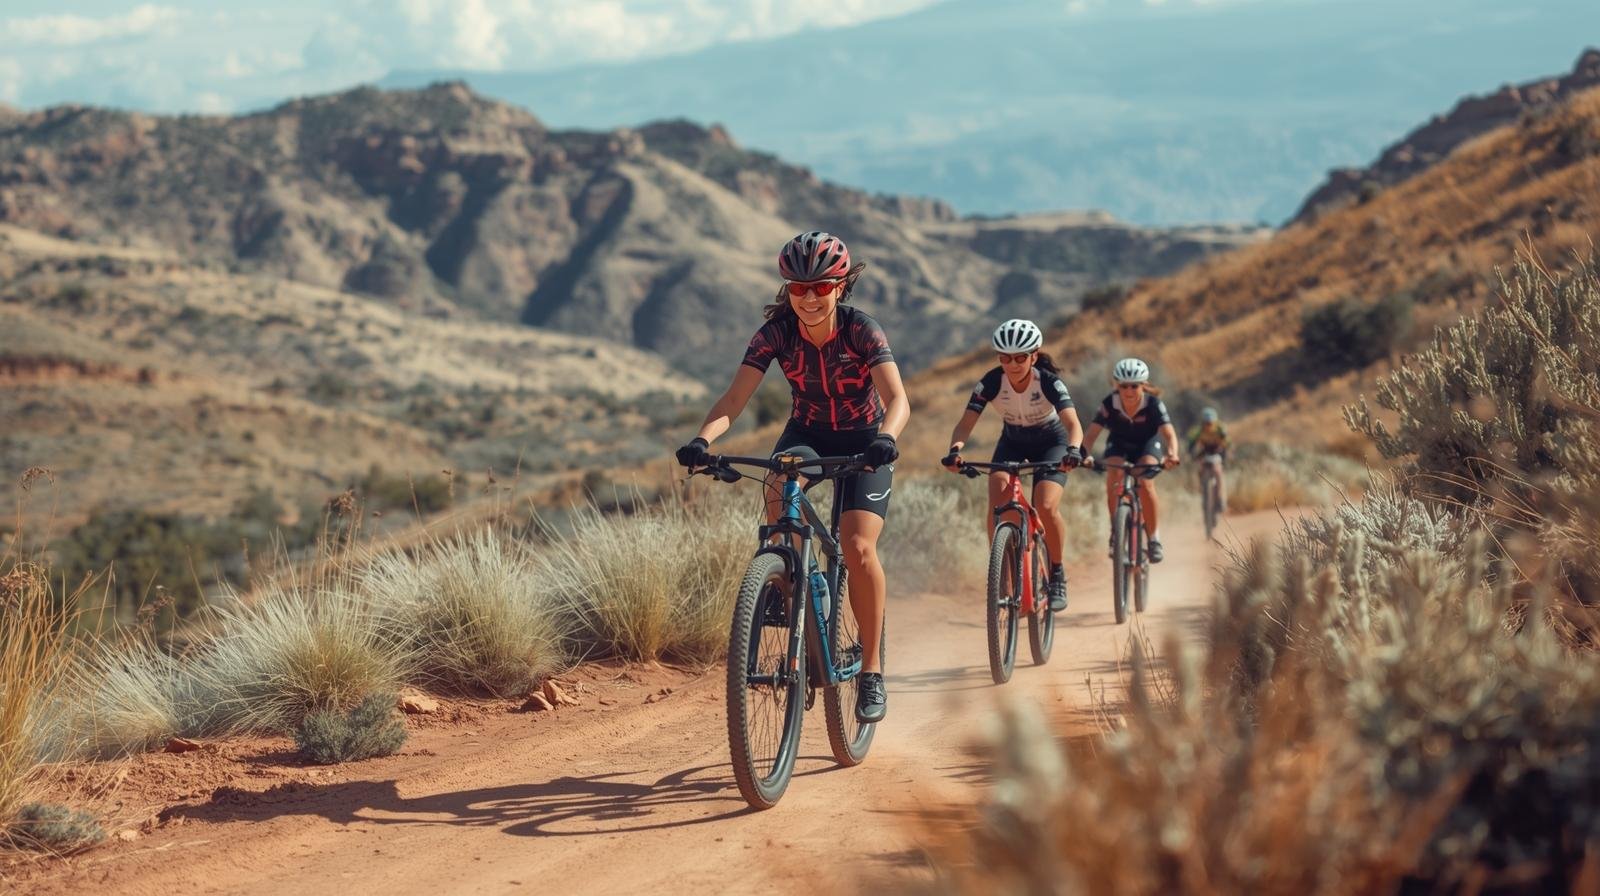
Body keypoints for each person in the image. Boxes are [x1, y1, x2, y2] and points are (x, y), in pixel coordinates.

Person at [675, 231, 909, 723]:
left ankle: (870, 672)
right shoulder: (775, 333)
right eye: (797, 288)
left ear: (840, 287)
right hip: (807, 433)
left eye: (820, 287)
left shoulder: (863, 331)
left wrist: (886, 437)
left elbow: (898, 400)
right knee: (781, 496)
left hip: (866, 437)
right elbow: (734, 400)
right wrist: (703, 441)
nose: (808, 297)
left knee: (858, 545)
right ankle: (792, 586)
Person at [941, 319, 1083, 612]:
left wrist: (1073, 450)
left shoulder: (1048, 382)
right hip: (1013, 442)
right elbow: (965, 424)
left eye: (1020, 357)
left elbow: (1073, 424)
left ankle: (1057, 574)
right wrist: (955, 451)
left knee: (1045, 505)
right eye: (1005, 358)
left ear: (1034, 355)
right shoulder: (991, 382)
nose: (1013, 364)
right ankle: (1003, 575)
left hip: (1051, 443)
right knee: (997, 505)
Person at [1079, 358, 1180, 562]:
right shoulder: (1109, 403)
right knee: (1113, 474)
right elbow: (1090, 435)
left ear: (1143, 384)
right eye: (1124, 386)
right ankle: (1116, 532)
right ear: (1117, 386)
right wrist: (1084, 455)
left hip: (1147, 445)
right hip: (1119, 445)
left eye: (1134, 385)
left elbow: (1169, 434)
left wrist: (1172, 454)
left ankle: (1153, 538)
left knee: (1144, 482)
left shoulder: (1153, 404)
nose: (1129, 391)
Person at [1186, 407, 1231, 513]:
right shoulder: (1198, 431)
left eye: (1211, 423)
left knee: (1218, 472)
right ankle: (1203, 491)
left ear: (1215, 422)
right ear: (1203, 422)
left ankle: (1221, 499)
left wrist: (1226, 454)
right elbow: (1191, 444)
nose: (1208, 425)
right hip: (1204, 452)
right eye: (1206, 423)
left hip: (1217, 452)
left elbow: (1227, 444)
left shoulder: (1220, 429)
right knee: (1200, 470)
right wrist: (1190, 454)